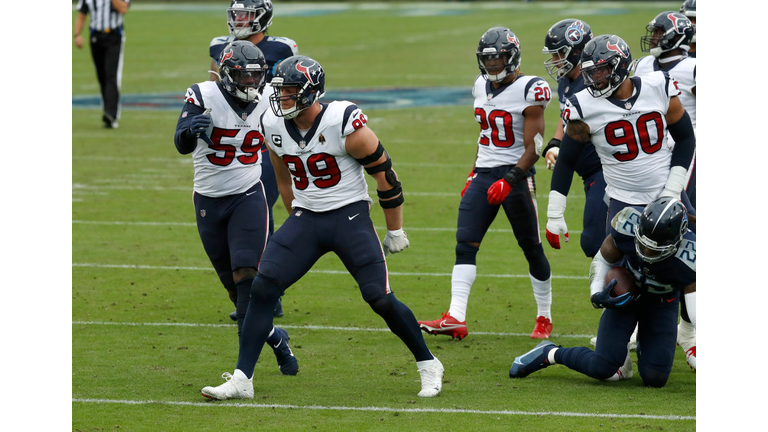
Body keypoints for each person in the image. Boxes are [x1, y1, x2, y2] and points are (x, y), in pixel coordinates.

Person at [201, 55, 444, 400]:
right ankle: (243, 378)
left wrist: (395, 229)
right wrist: (293, 216)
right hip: (308, 218)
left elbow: (386, 177)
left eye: (288, 91)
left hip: (349, 217)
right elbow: (282, 173)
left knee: (379, 298)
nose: (280, 97)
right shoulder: (273, 123)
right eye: (280, 90)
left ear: (309, 93)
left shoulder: (342, 122)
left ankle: (428, 363)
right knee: (263, 287)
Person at [418, 27, 554, 340]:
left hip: (516, 176)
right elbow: (486, 139)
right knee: (465, 243)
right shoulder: (480, 85)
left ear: (514, 56)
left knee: (531, 248)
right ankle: (456, 316)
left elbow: (534, 145)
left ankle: (544, 317)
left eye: (499, 58)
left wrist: (511, 179)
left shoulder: (530, 88)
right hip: (484, 174)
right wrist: (473, 173)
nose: (493, 65)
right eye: (488, 60)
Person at [173, 41, 298, 379]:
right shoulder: (204, 94)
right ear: (228, 74)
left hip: (248, 194)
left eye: (257, 76)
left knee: (248, 278)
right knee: (236, 291)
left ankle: (244, 375)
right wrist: (189, 131)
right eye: (244, 76)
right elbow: (181, 142)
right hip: (208, 200)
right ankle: (275, 337)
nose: (251, 83)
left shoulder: (268, 103)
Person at [509, 196, 696, 388]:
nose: (646, 252)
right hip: (626, 297)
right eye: (643, 243)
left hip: (662, 303)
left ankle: (644, 347)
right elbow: (604, 257)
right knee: (601, 366)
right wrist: (597, 293)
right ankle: (549, 353)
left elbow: (696, 311)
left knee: (655, 378)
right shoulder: (627, 221)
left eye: (654, 248)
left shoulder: (693, 255)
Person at [208, 0, 299, 320]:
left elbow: (295, 88)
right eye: (236, 14)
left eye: (246, 14)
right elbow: (211, 88)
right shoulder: (220, 47)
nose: (240, 20)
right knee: (242, 221)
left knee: (260, 216)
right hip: (236, 143)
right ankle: (256, 291)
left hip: (267, 141)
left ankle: (267, 293)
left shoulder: (282, 48)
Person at [636, 10, 697, 371]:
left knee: (686, 240)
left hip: (690, 157)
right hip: (654, 159)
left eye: (660, 31)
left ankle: (689, 332)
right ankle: (637, 324)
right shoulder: (644, 64)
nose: (654, 37)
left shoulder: (694, 67)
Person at [540, 18, 608, 259]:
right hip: (588, 172)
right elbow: (566, 114)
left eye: (560, 54)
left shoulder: (595, 84)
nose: (555, 60)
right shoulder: (566, 80)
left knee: (596, 242)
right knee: (597, 244)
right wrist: (556, 143)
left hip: (607, 170)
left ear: (578, 51)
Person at [74, 0, 130, 129]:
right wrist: (77, 35)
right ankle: (107, 111)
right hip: (96, 37)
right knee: (102, 76)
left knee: (111, 75)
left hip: (114, 37)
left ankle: (111, 114)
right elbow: (82, 14)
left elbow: (123, 9)